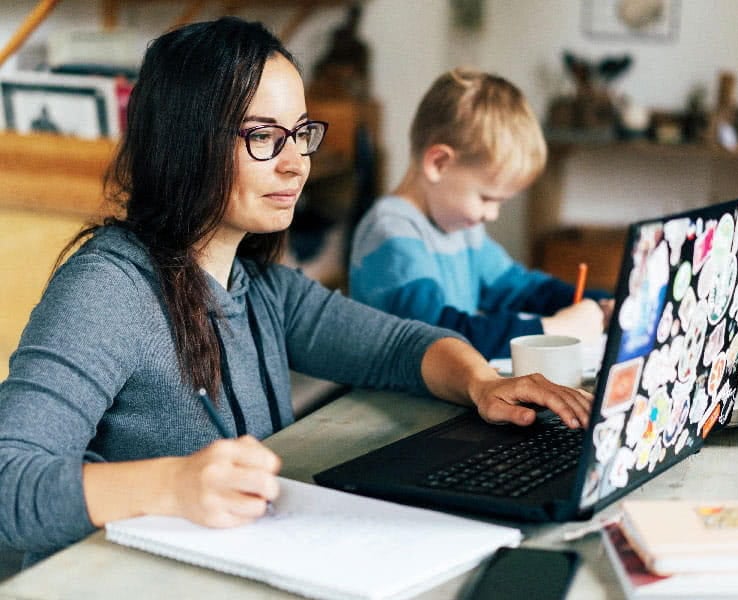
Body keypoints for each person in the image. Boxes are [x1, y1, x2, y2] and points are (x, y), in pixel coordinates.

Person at [0, 18, 592, 566]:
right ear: (184, 143)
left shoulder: (260, 288)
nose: (297, 164)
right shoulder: (108, 290)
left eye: (300, 134)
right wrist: (172, 485)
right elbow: (9, 482)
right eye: (264, 137)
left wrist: (482, 383)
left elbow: (399, 346)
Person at [349, 69, 613, 359]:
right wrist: (550, 330)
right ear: (438, 163)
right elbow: (439, 336)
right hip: (389, 399)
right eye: (487, 198)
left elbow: (519, 289)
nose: (492, 214)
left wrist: (600, 304)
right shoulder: (391, 234)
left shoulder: (461, 227)